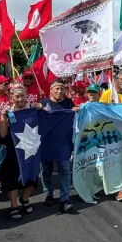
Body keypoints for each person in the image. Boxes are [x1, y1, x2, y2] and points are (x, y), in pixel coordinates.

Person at [0, 84, 37, 220]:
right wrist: (3, 118)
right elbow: (3, 134)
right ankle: (13, 206)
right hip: (13, 148)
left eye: (22, 96)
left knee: (32, 174)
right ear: (11, 98)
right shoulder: (7, 112)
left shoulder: (33, 109)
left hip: (30, 147)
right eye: (17, 96)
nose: (20, 99)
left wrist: (40, 108)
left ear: (26, 97)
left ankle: (24, 199)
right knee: (13, 177)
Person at [40, 79, 74, 212]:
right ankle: (49, 193)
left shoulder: (69, 103)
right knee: (46, 171)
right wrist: (37, 109)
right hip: (47, 143)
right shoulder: (43, 103)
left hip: (64, 143)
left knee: (65, 170)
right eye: (57, 89)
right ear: (51, 90)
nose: (59, 91)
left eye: (62, 89)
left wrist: (77, 110)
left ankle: (65, 199)